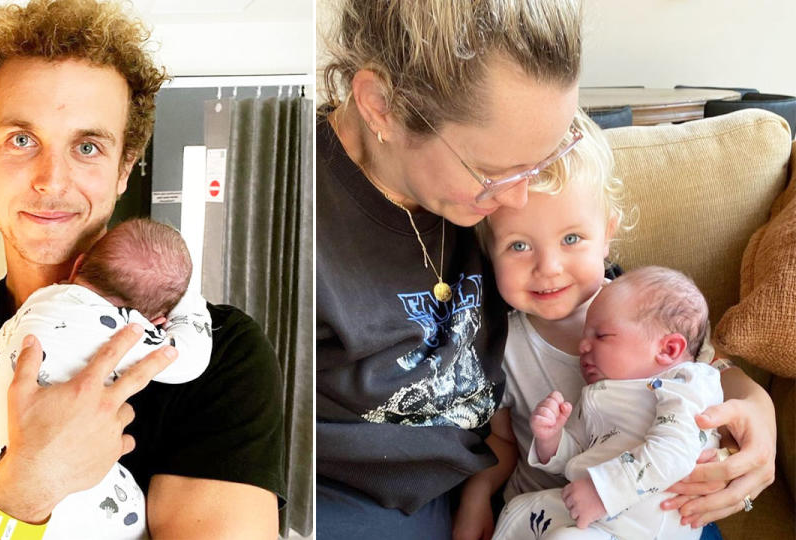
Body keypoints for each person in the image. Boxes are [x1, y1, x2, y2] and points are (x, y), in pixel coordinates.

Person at [316, 1, 775, 538]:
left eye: (537, 162)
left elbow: (658, 335)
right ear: (381, 106)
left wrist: (753, 403)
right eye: (492, 172)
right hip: (359, 496)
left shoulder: (503, 207)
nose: (520, 196)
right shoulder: (288, 207)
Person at [0, 1, 284, 538]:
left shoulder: (218, 354)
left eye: (87, 146)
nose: (52, 180)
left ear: (124, 168)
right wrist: (25, 484)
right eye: (22, 139)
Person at [0, 218, 213, 539]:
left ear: (78, 264)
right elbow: (188, 358)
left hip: (6, 496)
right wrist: (190, 303)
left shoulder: (36, 303)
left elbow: (1, 340)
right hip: (71, 509)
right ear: (154, 321)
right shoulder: (122, 330)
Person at [492, 267, 723, 540]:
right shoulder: (598, 395)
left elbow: (673, 453)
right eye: (584, 336)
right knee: (518, 512)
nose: (582, 347)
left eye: (601, 336)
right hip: (597, 517)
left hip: (643, 524)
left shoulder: (685, 383)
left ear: (668, 349)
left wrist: (604, 492)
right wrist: (550, 440)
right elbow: (575, 457)